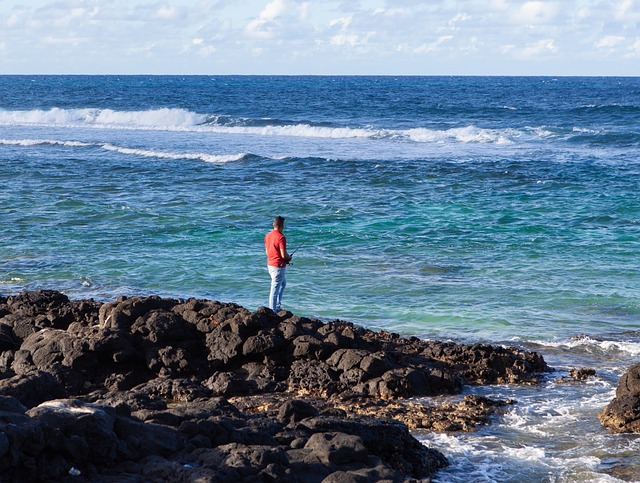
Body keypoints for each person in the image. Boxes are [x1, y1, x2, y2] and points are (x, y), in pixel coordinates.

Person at [264, 216, 292, 313]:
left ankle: (278, 305)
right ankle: (273, 310)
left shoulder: (267, 236)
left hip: (270, 265)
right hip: (278, 267)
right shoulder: (281, 237)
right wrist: (289, 257)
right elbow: (284, 255)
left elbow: (267, 252)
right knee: (274, 289)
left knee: (283, 283)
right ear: (282, 226)